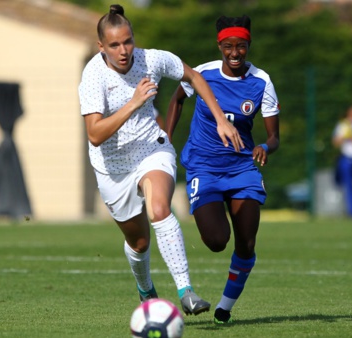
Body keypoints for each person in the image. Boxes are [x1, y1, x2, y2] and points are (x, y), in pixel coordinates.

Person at [78, 4, 245, 316]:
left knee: (159, 209)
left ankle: (186, 291)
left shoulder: (151, 58)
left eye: (128, 41)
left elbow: (193, 76)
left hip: (151, 149)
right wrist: (134, 102)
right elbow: (95, 135)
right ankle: (145, 290)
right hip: (112, 168)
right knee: (139, 243)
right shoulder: (93, 76)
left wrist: (221, 119)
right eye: (114, 45)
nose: (123, 50)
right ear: (101, 47)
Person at [165, 14, 280, 324]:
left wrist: (264, 147)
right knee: (217, 241)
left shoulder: (261, 82)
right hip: (204, 166)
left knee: (247, 241)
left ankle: (225, 307)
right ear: (219, 46)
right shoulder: (203, 74)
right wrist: (165, 137)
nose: (234, 53)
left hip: (242, 168)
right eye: (228, 46)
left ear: (248, 45)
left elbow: (274, 136)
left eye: (241, 46)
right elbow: (177, 100)